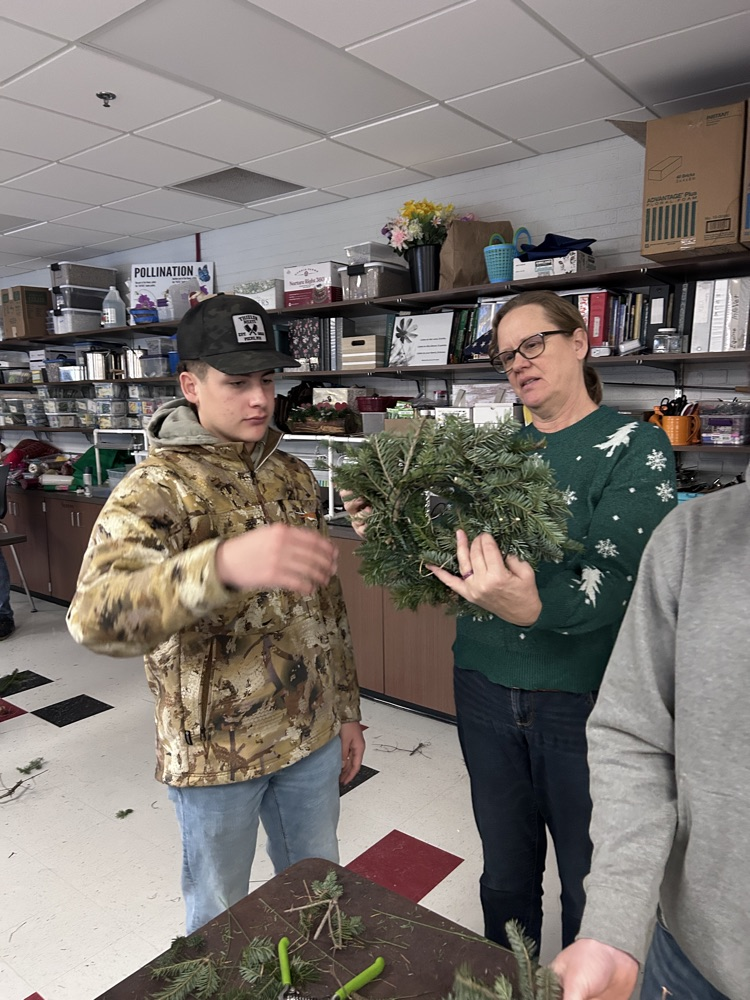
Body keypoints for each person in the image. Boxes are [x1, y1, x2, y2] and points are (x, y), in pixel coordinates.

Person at [345, 289, 676, 951]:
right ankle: (509, 979)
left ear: (579, 342)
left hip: (583, 700)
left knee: (590, 878)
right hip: (484, 686)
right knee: (503, 872)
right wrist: (393, 533)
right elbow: (456, 562)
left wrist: (538, 607)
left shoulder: (634, 446)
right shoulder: (494, 452)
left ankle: (585, 986)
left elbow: (623, 581)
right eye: (505, 355)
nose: (519, 362)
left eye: (533, 344)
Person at [67, 294, 364, 934]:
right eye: (237, 383)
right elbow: (94, 617)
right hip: (215, 755)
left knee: (319, 896)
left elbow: (325, 607)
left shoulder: (293, 475)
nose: (259, 400)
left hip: (310, 734)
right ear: (191, 385)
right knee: (219, 916)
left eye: (267, 380)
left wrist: (347, 709)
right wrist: (220, 566)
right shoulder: (156, 488)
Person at [550, 478, 748, 1000]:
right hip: (692, 957)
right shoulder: (695, 534)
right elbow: (637, 737)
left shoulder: (635, 454)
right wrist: (613, 927)